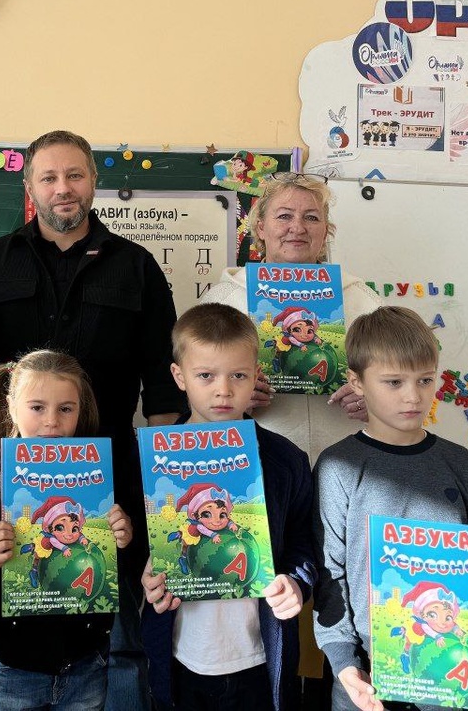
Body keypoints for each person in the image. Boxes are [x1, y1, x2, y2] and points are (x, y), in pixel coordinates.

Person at [0, 129, 182, 708]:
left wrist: (167, 486)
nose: (63, 188)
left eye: (75, 175)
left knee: (120, 636)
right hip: (10, 470)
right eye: (48, 177)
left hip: (117, 475)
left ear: (93, 182)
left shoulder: (136, 267)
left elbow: (163, 383)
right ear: (29, 187)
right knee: (17, 606)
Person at [313, 307, 468, 711]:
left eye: (425, 380)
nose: (413, 396)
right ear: (357, 382)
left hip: (455, 671)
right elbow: (328, 571)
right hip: (366, 675)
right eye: (394, 382)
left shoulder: (464, 466)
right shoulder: (338, 467)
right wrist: (345, 664)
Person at [140, 304, 316, 711]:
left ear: (256, 375)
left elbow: (304, 543)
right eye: (206, 375)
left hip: (259, 658)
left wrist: (296, 583)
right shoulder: (150, 460)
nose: (223, 390)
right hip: (180, 655)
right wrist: (144, 575)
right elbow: (132, 546)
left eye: (238, 375)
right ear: (179, 377)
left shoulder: (285, 461)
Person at [0, 350, 133, 710]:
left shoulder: (100, 482)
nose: (52, 422)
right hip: (12, 666)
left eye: (66, 408)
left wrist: (123, 540)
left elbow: (115, 570)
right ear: (11, 407)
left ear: (80, 410)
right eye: (37, 407)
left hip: (85, 662)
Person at [200, 172, 382, 461]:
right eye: (284, 216)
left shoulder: (364, 300)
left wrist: (376, 398)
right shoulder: (222, 300)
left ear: (326, 231)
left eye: (311, 217)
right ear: (261, 227)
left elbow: (405, 374)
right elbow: (189, 383)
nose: (297, 227)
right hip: (257, 460)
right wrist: (229, 397)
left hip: (348, 460)